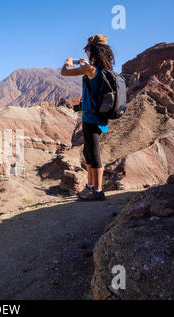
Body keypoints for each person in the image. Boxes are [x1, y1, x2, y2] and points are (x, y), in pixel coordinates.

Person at [60, 34, 115, 201]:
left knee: (94, 153)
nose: (85, 51)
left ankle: (98, 191)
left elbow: (64, 72)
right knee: (88, 152)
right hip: (95, 115)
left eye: (87, 49)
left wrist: (68, 62)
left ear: (93, 51)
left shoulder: (90, 69)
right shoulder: (99, 69)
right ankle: (91, 187)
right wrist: (87, 64)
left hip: (92, 117)